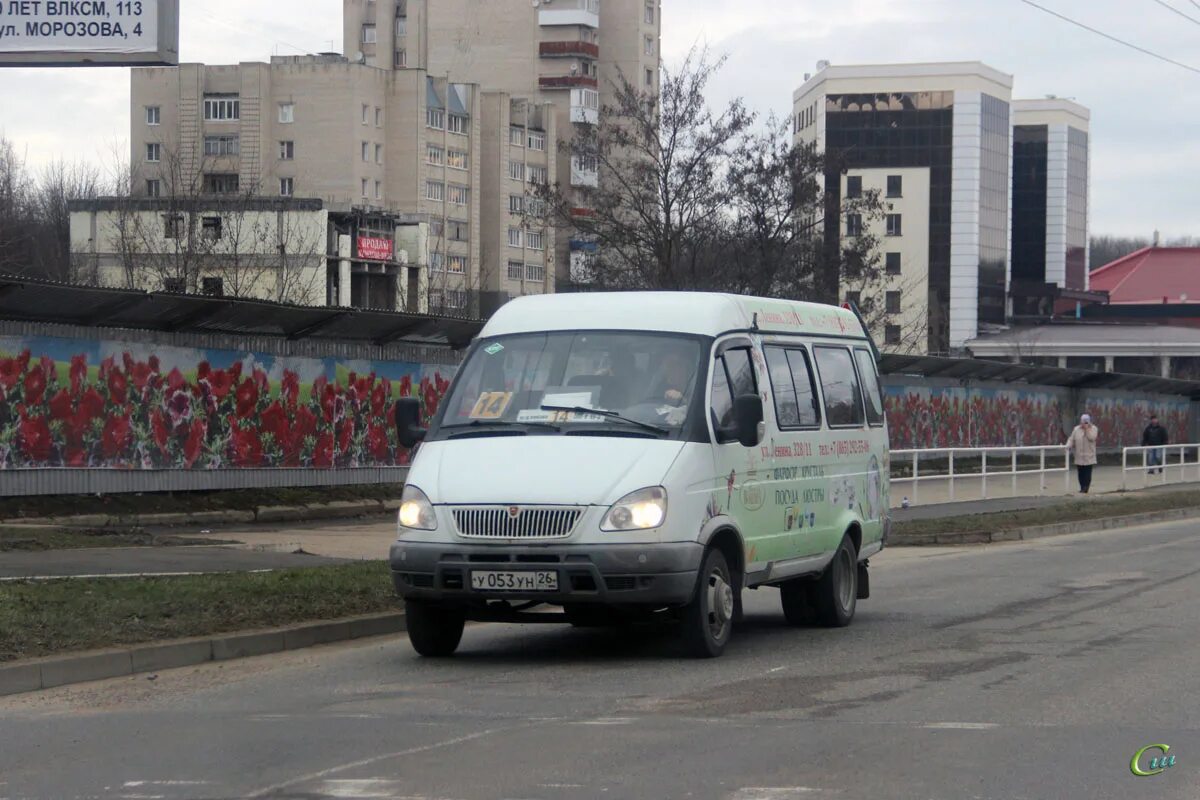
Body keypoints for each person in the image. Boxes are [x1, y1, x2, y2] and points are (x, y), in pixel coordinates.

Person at [1066, 413, 1099, 493]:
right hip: (1079, 455)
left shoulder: (1094, 428)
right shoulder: (1076, 429)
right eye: (1083, 421)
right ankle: (1082, 487)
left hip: (1089, 455)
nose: (1084, 423)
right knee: (1080, 473)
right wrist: (1068, 445)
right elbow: (1071, 439)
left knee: (1087, 473)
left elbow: (1092, 438)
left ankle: (1086, 488)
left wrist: (1087, 429)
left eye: (1086, 421)